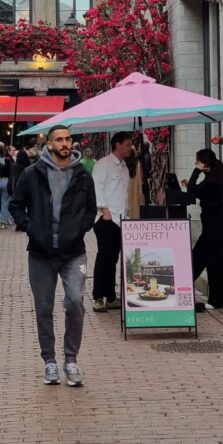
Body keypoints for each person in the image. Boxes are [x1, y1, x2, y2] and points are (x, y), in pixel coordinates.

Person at [10, 125, 96, 387]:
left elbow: (90, 210)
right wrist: (30, 228)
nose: (65, 143)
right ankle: (50, 362)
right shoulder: (32, 173)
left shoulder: (83, 175)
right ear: (49, 144)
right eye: (59, 139)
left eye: (68, 139)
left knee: (75, 302)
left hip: (73, 252)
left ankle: (71, 360)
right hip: (41, 253)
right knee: (44, 308)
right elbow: (16, 204)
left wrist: (79, 228)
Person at [181, 148, 223, 311]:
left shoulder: (212, 179)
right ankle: (185, 288)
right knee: (201, 258)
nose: (195, 164)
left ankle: (217, 300)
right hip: (212, 226)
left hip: (214, 227)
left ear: (204, 163)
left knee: (213, 262)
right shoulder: (212, 177)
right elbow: (199, 191)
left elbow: (193, 192)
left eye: (197, 161)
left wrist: (196, 172)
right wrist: (193, 182)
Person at [91, 132, 134, 313]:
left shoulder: (124, 166)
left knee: (113, 258)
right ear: (117, 144)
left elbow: (123, 192)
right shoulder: (103, 164)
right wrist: (104, 210)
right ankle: (98, 297)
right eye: (127, 144)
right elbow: (96, 187)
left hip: (120, 219)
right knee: (104, 257)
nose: (130, 147)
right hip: (106, 218)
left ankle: (110, 295)